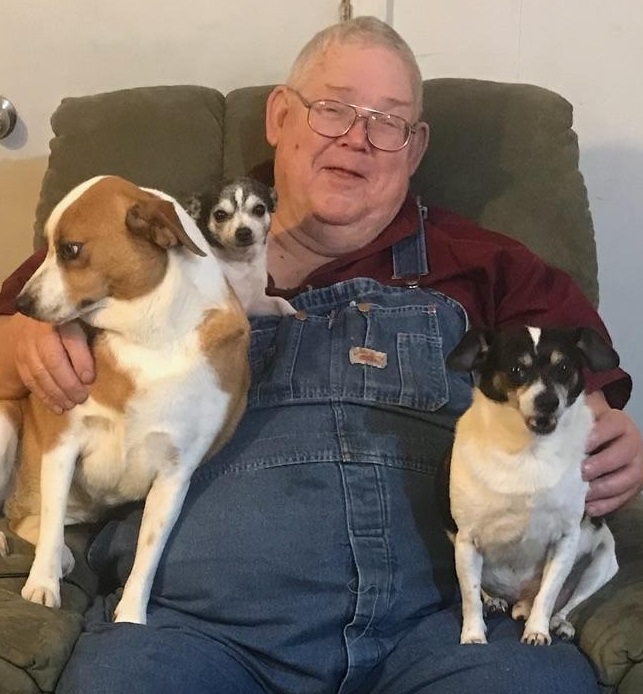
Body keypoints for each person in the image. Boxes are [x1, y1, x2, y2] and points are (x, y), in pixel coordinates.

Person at [0, 16, 642, 694]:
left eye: (388, 122)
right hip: (193, 628)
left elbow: (586, 397)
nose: (358, 138)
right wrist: (22, 344)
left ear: (415, 147)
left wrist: (607, 437)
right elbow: (24, 320)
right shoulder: (159, 240)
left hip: (446, 628)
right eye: (334, 109)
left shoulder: (488, 264)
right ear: (280, 115)